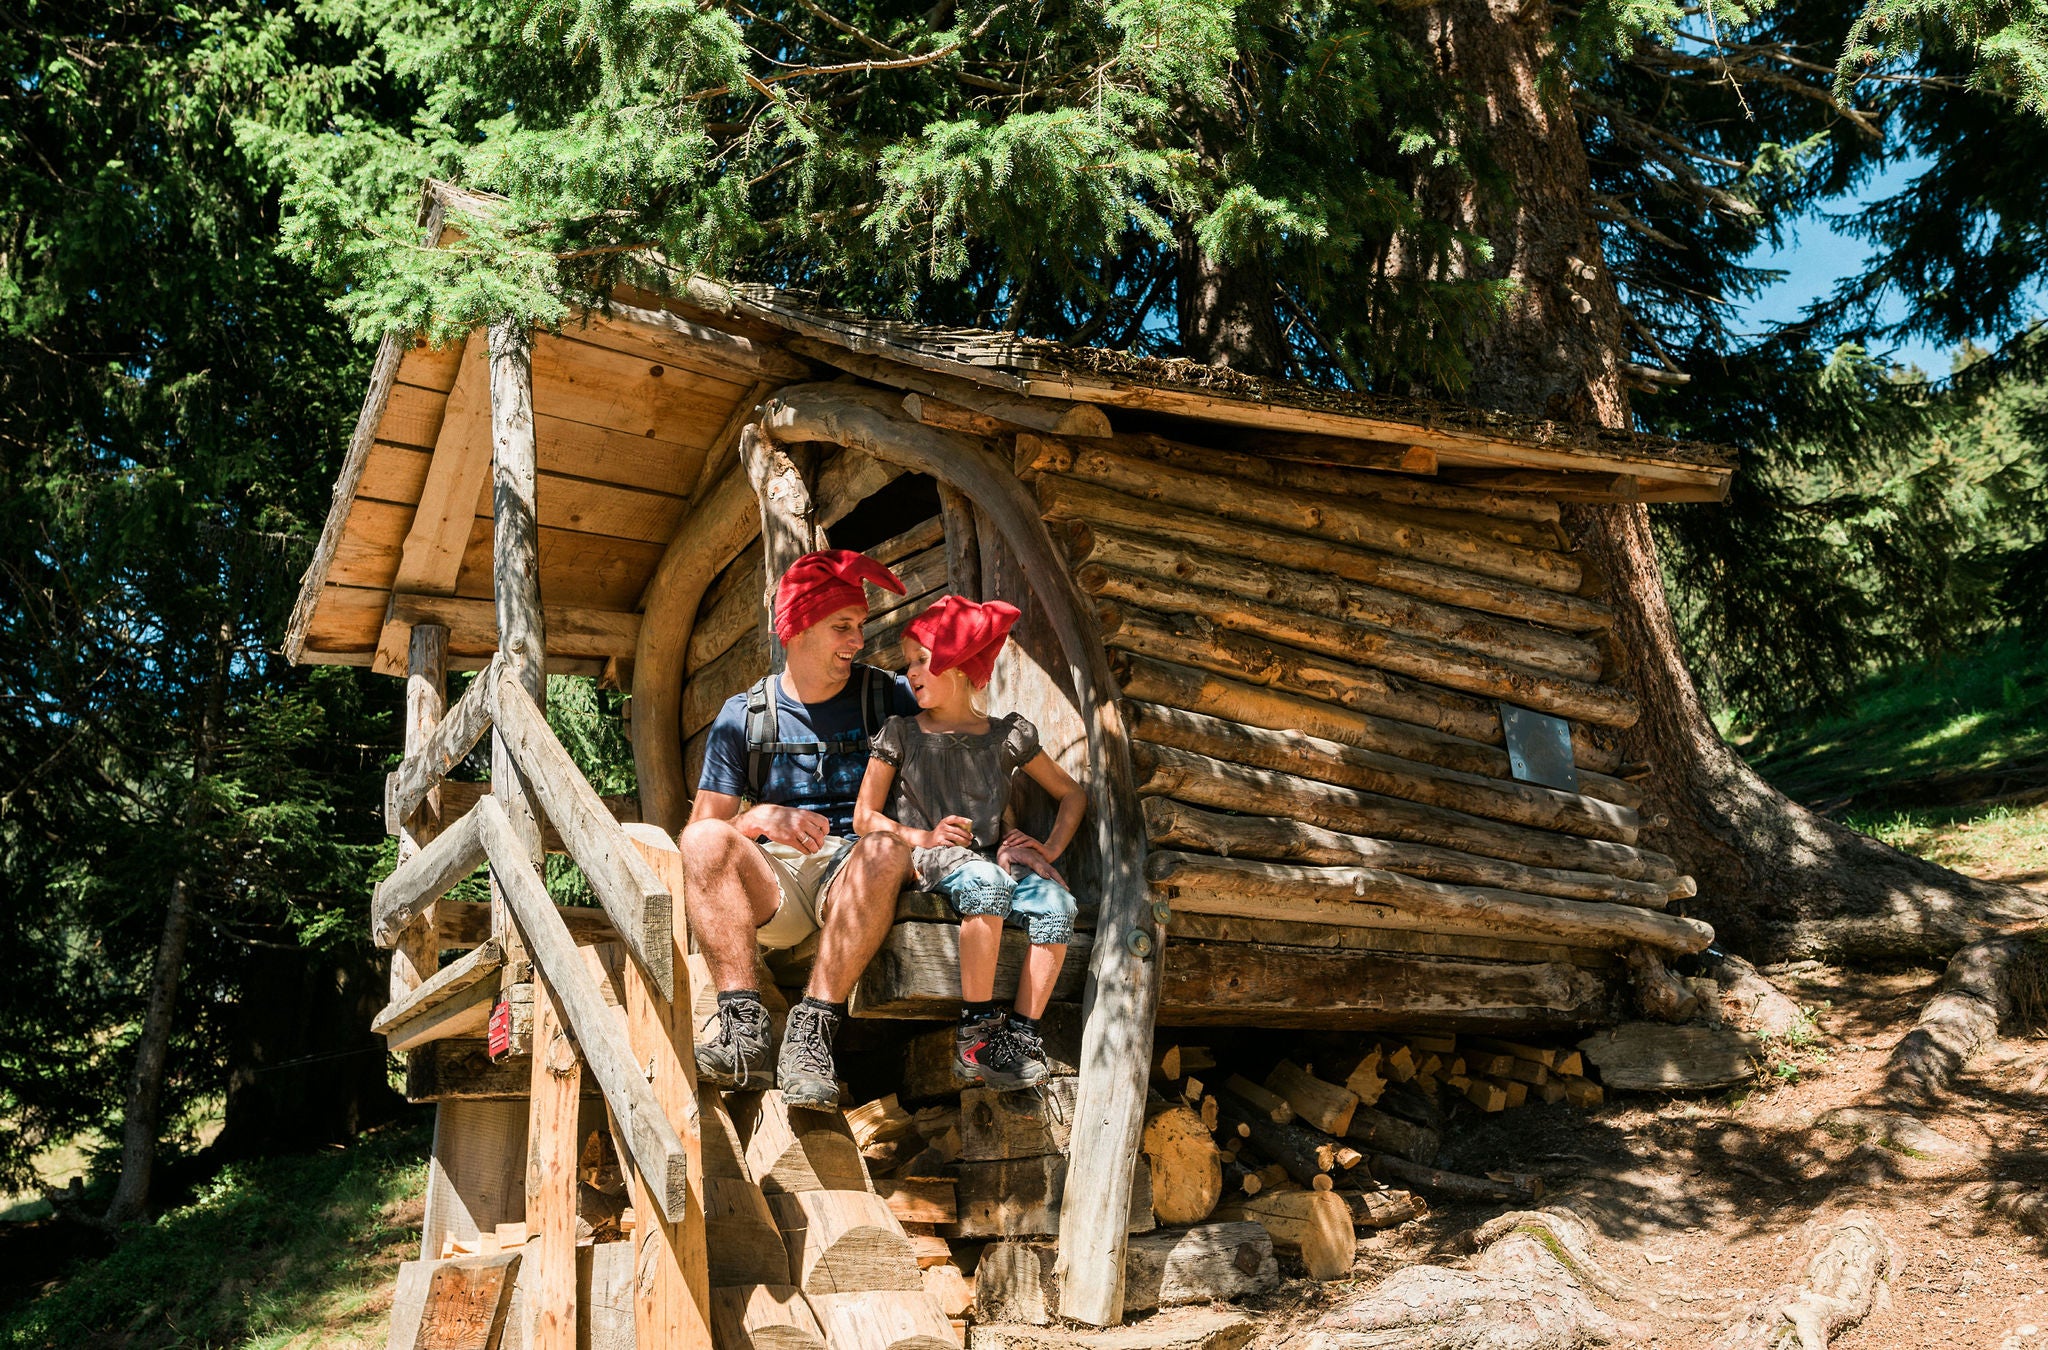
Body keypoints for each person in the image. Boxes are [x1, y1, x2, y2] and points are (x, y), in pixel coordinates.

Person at [681, 549, 922, 1109]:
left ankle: (810, 1038)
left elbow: (964, 738)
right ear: (797, 629)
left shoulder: (889, 697)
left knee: (884, 848)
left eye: (860, 626)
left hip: (859, 874)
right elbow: (703, 829)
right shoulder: (743, 715)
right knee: (703, 840)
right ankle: (744, 1033)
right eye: (843, 626)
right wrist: (756, 819)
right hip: (779, 884)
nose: (857, 640)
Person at [852, 594, 1087, 1091]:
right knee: (985, 882)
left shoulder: (1004, 736)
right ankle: (975, 1032)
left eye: (921, 660)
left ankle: (1020, 1037)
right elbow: (863, 817)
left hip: (990, 865)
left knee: (1058, 903)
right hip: (931, 863)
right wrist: (924, 836)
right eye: (907, 663)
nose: (910, 673)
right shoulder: (901, 734)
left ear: (958, 666)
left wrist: (1049, 848)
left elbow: (1071, 794)